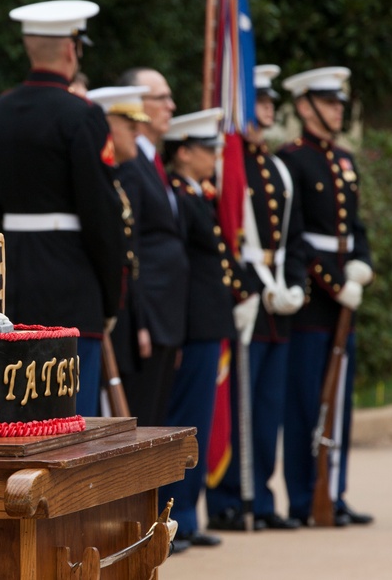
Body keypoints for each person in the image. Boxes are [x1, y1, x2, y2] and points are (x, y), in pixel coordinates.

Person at [0, 0, 122, 417]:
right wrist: (110, 300)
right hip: (71, 286)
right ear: (70, 49)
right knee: (73, 419)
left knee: (16, 417)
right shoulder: (83, 116)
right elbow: (102, 215)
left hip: (12, 284)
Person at [207, 64, 308, 531]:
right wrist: (251, 288)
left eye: (268, 103)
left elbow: (295, 239)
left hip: (276, 306)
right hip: (245, 302)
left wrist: (296, 286)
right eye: (259, 102)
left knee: (268, 410)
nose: (266, 110)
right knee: (237, 407)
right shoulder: (228, 165)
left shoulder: (277, 168)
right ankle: (230, 498)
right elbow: (226, 237)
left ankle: (263, 498)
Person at [277, 66, 374, 527]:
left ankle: (333, 492)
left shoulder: (345, 160)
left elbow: (356, 227)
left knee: (339, 403)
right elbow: (295, 239)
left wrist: (363, 264)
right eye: (330, 102)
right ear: (304, 106)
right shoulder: (292, 159)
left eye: (340, 102)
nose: (338, 109)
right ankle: (302, 497)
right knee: (305, 400)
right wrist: (337, 285)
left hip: (344, 299)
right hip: (315, 300)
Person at [156, 108, 236, 550]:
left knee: (198, 422)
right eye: (207, 150)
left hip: (208, 324)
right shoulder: (180, 198)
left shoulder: (196, 195)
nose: (214, 157)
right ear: (183, 153)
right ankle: (174, 515)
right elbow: (180, 272)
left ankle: (188, 512)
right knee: (184, 420)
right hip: (192, 326)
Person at [114, 67, 189, 426]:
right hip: (149, 320)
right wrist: (141, 322)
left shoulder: (152, 162)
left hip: (166, 317)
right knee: (142, 424)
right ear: (137, 105)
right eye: (161, 98)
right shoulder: (131, 164)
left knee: (157, 423)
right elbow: (132, 248)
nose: (171, 106)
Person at [87, 85, 151, 401]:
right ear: (108, 125)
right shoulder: (105, 177)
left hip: (119, 308)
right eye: (131, 126)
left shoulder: (118, 177)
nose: (138, 135)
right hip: (102, 307)